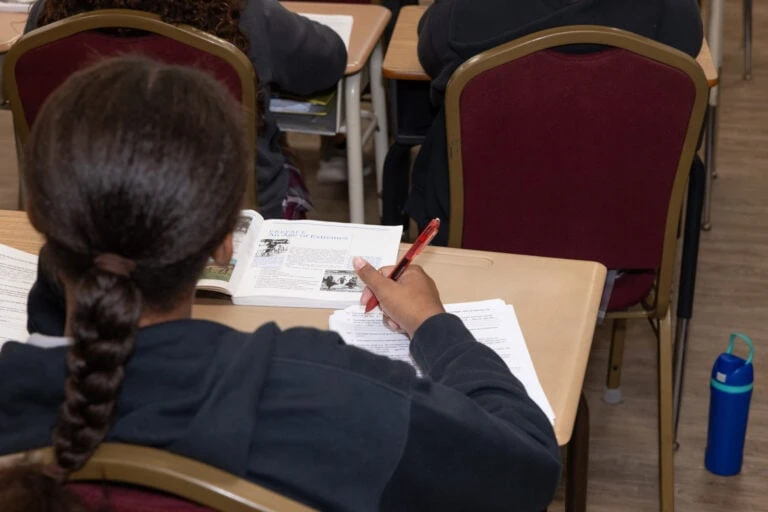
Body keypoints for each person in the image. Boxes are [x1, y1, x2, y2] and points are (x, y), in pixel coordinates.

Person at [0, 57, 560, 512]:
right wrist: (435, 328)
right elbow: (527, 467)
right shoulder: (327, 395)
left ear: (43, 221)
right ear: (226, 240)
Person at [406, 0, 704, 245]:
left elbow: (430, 49)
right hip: (620, 245)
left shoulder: (460, 17)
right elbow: (686, 51)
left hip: (477, 243)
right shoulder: (673, 11)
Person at [25, 0, 348, 220]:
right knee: (276, 148)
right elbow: (327, 62)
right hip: (225, 213)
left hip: (80, 210)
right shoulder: (243, 12)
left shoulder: (51, 13)